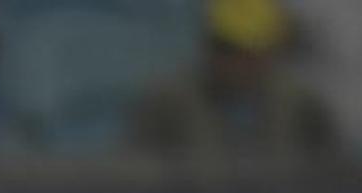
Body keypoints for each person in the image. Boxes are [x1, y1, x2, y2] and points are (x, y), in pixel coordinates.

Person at [127, 0, 336, 158]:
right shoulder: (165, 104)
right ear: (209, 47)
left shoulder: (304, 108)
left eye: (253, 51)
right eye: (229, 49)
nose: (241, 63)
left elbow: (335, 188)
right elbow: (133, 186)